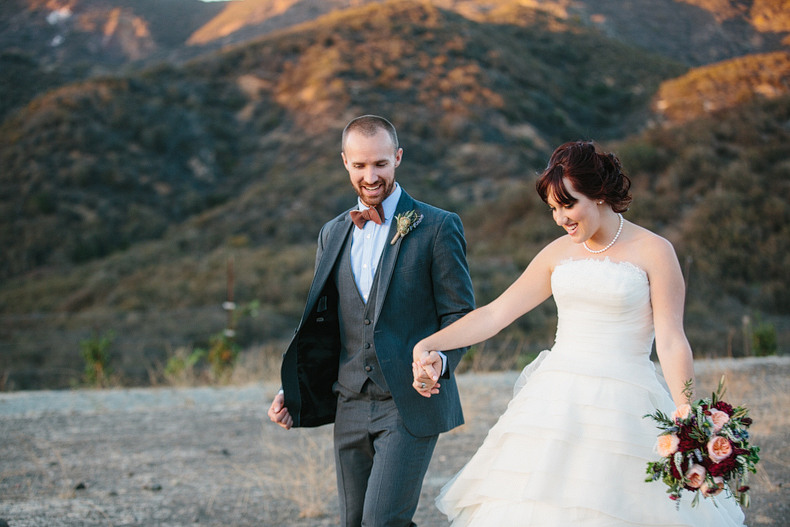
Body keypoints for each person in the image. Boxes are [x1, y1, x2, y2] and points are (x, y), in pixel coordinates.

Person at [411, 141, 746, 526]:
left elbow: (671, 339)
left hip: (625, 400)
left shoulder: (655, 251)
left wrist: (686, 409)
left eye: (568, 205)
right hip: (555, 399)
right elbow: (495, 314)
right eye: (553, 209)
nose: (559, 219)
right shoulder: (557, 254)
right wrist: (430, 343)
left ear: (599, 194)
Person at [268, 115, 475, 527]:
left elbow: (460, 313)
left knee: (382, 522)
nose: (371, 175)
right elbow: (321, 322)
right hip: (348, 403)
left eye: (380, 163)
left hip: (409, 401)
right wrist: (292, 388)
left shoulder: (437, 226)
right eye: (360, 165)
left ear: (397, 158)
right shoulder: (332, 232)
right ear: (345, 162)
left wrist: (441, 359)